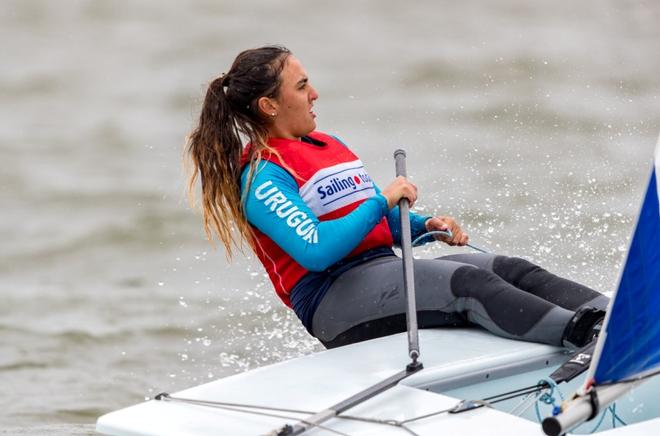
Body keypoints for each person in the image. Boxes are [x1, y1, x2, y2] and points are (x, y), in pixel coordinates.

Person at [185, 45, 608, 350]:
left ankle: (620, 318)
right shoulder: (262, 176)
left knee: (510, 269)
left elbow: (372, 226)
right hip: (333, 300)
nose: (314, 94)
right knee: (469, 284)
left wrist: (424, 226)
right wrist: (383, 200)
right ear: (269, 106)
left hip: (382, 272)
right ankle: (587, 339)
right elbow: (316, 250)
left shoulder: (326, 145)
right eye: (301, 86)